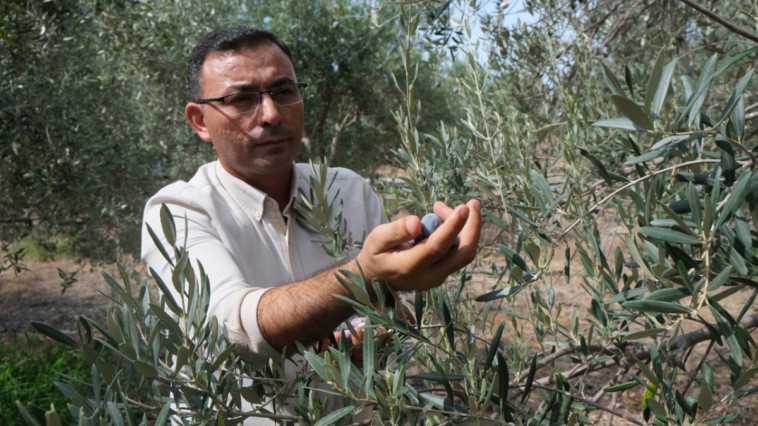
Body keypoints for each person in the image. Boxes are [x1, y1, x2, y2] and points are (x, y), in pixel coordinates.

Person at [141, 25, 481, 423]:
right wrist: (364, 275)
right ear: (199, 121)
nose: (270, 114)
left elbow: (393, 317)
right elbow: (232, 327)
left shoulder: (349, 190)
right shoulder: (177, 211)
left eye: (283, 92)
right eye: (240, 99)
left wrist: (384, 324)